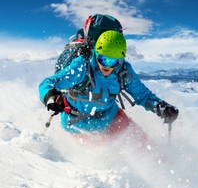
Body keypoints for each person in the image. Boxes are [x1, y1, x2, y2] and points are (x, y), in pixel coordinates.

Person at [39, 30, 179, 138]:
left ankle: (161, 164)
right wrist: (51, 97)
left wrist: (161, 107)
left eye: (113, 61)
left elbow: (142, 95)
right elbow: (48, 83)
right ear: (96, 53)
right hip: (77, 123)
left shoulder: (123, 71)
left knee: (141, 142)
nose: (107, 66)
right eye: (103, 59)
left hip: (110, 116)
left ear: (120, 60)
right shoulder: (81, 67)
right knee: (102, 157)